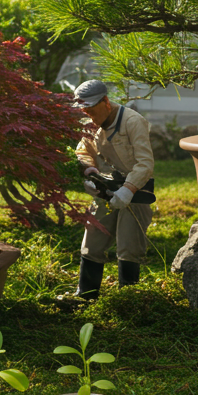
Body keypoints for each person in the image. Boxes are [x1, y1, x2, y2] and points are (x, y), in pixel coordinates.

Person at [71, 79, 155, 300]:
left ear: (106, 102)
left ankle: (127, 299)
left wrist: (128, 190)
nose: (87, 114)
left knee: (129, 245)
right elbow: (83, 150)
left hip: (137, 189)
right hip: (107, 184)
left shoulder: (133, 122)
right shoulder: (89, 123)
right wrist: (89, 171)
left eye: (91, 109)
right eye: (83, 109)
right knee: (93, 238)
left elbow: (145, 163)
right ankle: (85, 295)